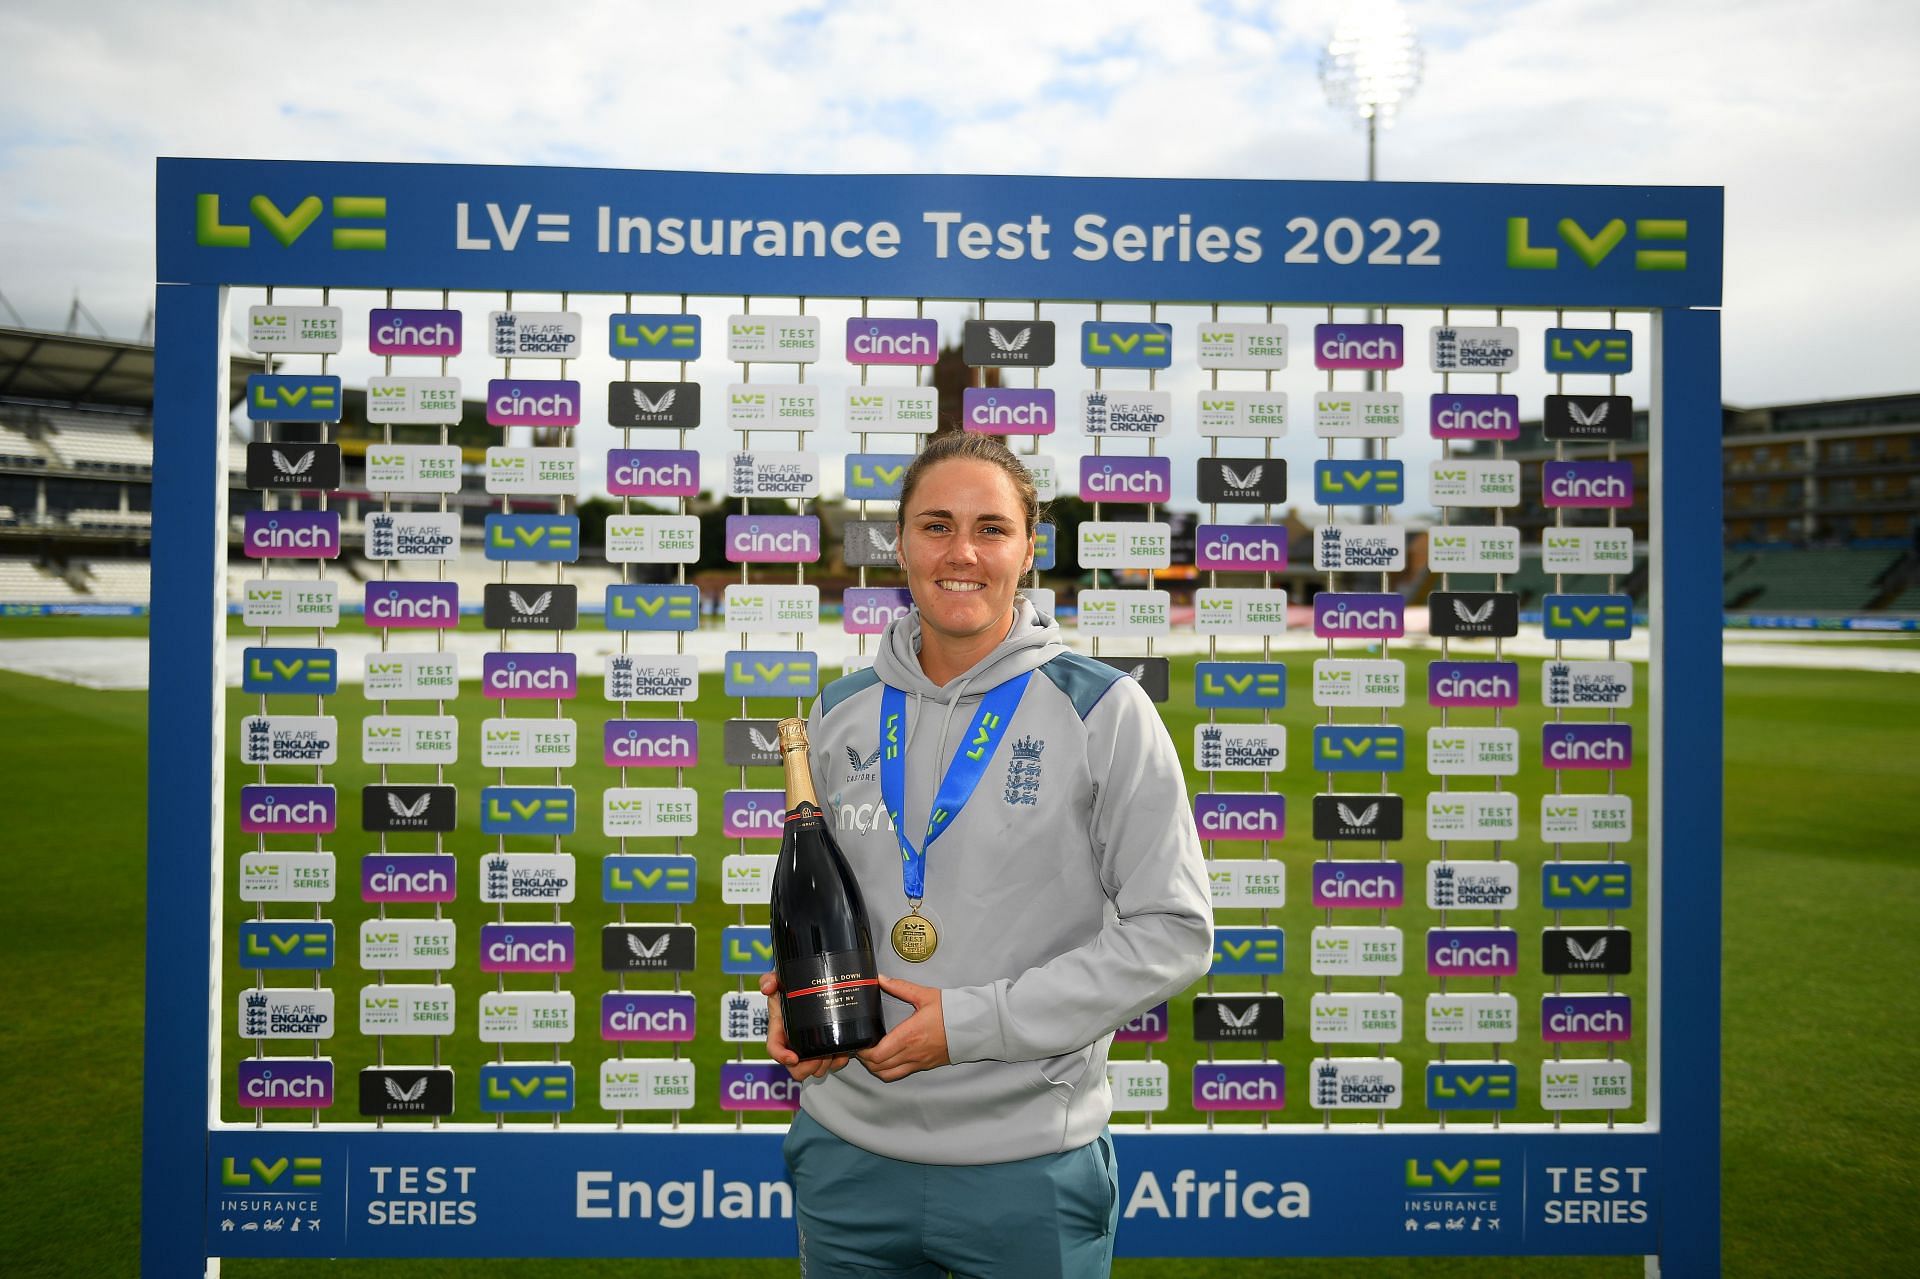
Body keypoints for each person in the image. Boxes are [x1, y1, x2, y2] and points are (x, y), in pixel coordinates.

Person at [760, 431, 1213, 1278]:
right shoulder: (842, 711)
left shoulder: (1104, 710)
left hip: (1028, 1167)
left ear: (1028, 547)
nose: (962, 551)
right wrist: (791, 989)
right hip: (848, 1156)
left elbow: (1173, 930)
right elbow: (819, 907)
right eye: (936, 525)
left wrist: (974, 1024)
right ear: (900, 544)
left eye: (991, 528)